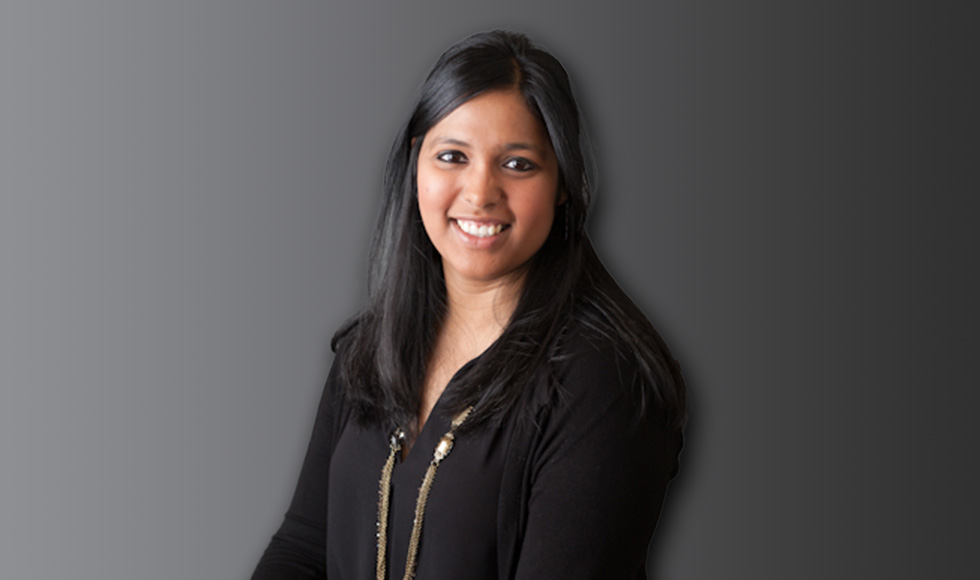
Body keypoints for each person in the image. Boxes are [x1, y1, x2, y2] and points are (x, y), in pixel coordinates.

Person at [251, 30, 686, 580]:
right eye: (452, 156)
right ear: (416, 165)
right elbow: (304, 548)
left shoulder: (603, 382)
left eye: (519, 164)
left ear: (563, 184)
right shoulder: (369, 349)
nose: (480, 192)